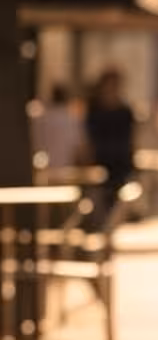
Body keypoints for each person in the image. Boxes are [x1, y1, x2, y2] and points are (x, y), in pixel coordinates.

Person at [85, 68, 135, 224]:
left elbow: (131, 138)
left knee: (117, 201)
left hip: (120, 162)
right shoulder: (94, 108)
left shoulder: (125, 111)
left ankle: (109, 234)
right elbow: (88, 135)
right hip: (100, 160)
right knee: (100, 200)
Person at [31, 84, 86, 172]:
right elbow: (78, 145)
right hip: (63, 166)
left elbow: (35, 140)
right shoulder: (70, 118)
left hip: (46, 166)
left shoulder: (43, 118)